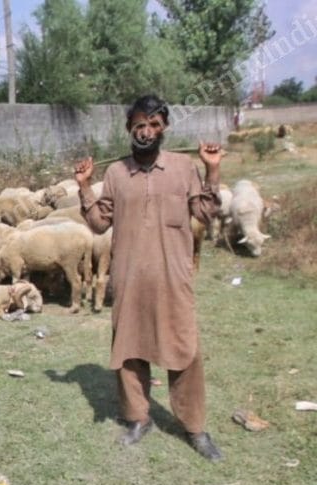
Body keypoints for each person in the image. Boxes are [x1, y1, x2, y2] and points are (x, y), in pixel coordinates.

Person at [74, 94, 224, 462]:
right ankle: (139, 418)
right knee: (129, 349)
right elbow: (97, 224)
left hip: (173, 276)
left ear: (165, 128)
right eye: (139, 125)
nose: (146, 131)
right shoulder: (115, 173)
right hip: (129, 277)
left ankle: (194, 427)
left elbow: (204, 214)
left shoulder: (182, 167)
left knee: (184, 349)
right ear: (129, 129)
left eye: (154, 125)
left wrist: (213, 170)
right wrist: (84, 185)